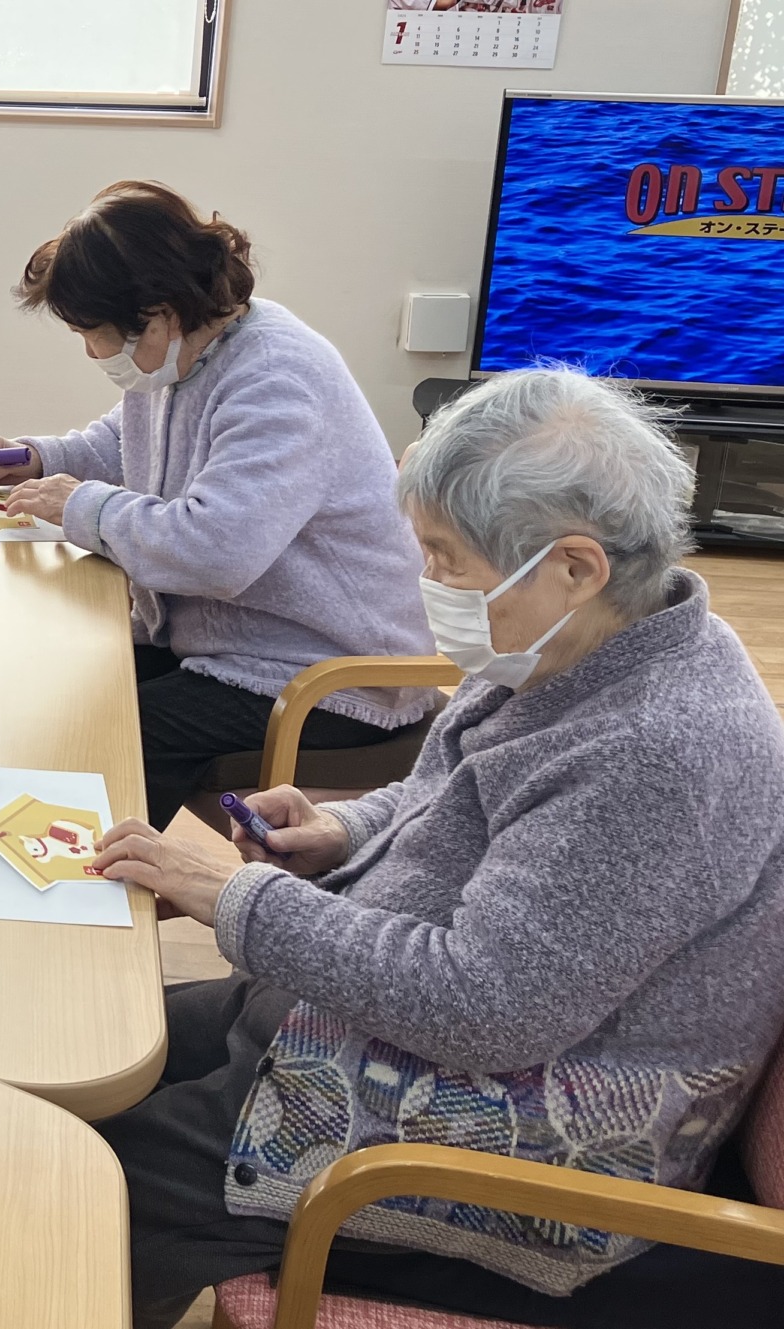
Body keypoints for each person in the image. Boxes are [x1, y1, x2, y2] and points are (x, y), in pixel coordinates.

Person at [91, 368, 784, 1328]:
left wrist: (233, 897)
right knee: (98, 1048)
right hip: (379, 1027)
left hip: (517, 1134)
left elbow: (483, 1007)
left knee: (87, 1177)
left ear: (575, 566)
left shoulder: (657, 751)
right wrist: (342, 830)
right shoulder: (581, 642)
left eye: (444, 558)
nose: (427, 583)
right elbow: (455, 794)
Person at [0, 181, 436, 831]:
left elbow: (216, 550)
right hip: (232, 642)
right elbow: (125, 445)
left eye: (93, 334)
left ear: (157, 316)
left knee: (112, 737)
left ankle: (88, 883)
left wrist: (80, 505)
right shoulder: (187, 354)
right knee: (63, 683)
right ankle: (49, 855)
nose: (92, 352)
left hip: (330, 675)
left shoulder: (276, 376)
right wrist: (39, 457)